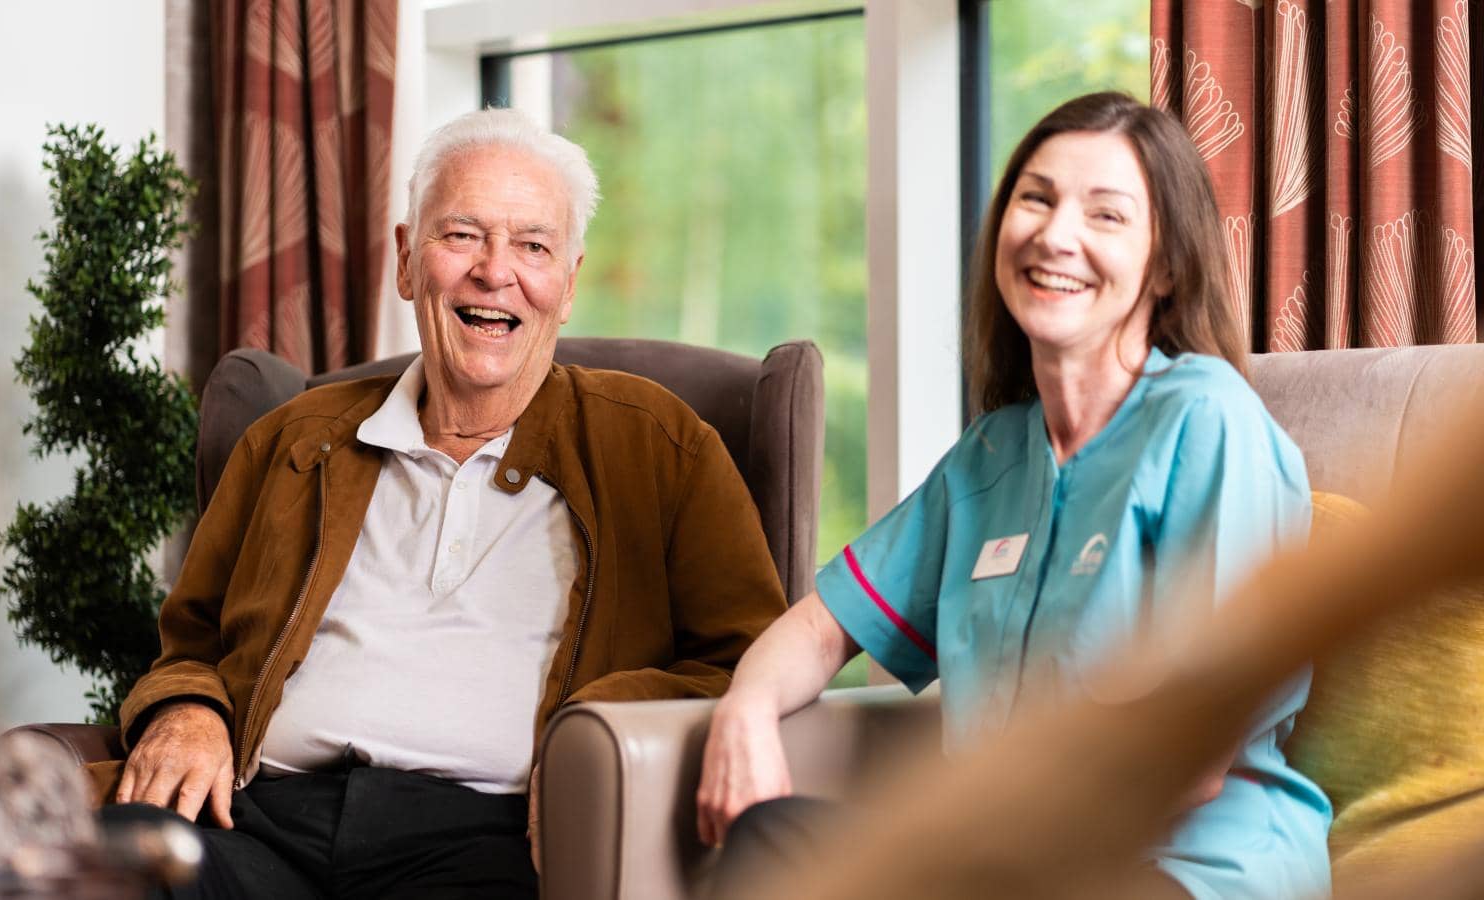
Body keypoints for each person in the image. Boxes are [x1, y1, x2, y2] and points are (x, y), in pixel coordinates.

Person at [104, 107, 788, 899]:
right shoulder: (292, 440)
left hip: (491, 844)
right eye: (461, 234)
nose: (495, 272)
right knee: (104, 867)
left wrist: (595, 720)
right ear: (405, 258)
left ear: (567, 285)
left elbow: (746, 664)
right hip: (257, 822)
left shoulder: (660, 445)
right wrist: (188, 709)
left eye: (533, 246)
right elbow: (191, 640)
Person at [696, 91, 1331, 899]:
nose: (1056, 235)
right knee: (775, 838)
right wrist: (744, 712)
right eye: (1036, 198)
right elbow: (820, 631)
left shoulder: (1207, 420)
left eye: (1106, 215)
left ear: (1167, 266)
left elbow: (1193, 756)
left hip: (1186, 871)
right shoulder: (989, 458)